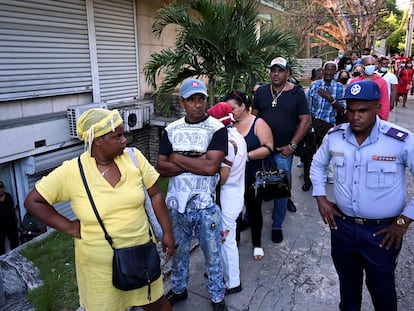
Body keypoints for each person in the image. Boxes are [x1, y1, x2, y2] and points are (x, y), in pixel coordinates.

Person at [24, 108, 175, 311]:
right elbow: (34, 201)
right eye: (117, 136)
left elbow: (155, 194)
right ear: (97, 141)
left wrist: (167, 232)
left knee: (158, 306)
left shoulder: (134, 158)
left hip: (142, 257)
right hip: (99, 270)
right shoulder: (73, 171)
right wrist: (70, 227)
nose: (124, 140)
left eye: (123, 134)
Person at [310, 80, 414, 311]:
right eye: (351, 110)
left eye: (363, 110)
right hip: (343, 228)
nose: (355, 117)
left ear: (377, 108)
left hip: (382, 233)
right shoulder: (335, 136)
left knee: (382, 290)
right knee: (348, 288)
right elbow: (317, 165)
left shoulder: (400, 140)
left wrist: (403, 221)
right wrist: (321, 198)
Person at [157, 79, 229, 311]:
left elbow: (211, 168)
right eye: (191, 99)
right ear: (182, 102)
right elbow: (161, 167)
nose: (197, 105)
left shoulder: (217, 129)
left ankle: (217, 297)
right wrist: (199, 161)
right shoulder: (171, 130)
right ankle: (179, 289)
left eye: (201, 99)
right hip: (177, 205)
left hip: (206, 206)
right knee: (178, 253)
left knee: (213, 254)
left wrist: (176, 158)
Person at [252, 57, 311, 243]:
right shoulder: (261, 92)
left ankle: (277, 225)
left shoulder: (297, 94)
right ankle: (249, 218)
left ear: (288, 73)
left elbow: (305, 120)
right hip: (261, 150)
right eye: (273, 70)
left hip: (282, 152)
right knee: (255, 186)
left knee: (280, 189)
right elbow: (253, 119)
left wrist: (292, 146)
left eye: (280, 70)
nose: (276, 73)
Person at [227, 91, 273, 261]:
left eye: (233, 108)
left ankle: (257, 244)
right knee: (234, 212)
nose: (230, 112)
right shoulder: (229, 125)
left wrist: (246, 156)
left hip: (254, 176)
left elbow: (268, 147)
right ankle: (235, 239)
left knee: (254, 211)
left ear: (243, 106)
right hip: (232, 179)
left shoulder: (258, 123)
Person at [207, 101, 247, 295]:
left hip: (228, 197)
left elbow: (222, 178)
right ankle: (223, 273)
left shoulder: (229, 144)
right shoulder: (237, 136)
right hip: (236, 194)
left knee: (227, 240)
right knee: (224, 238)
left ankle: (233, 282)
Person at [303, 61, 346, 191]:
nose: (328, 73)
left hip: (328, 124)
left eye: (332, 70)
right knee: (309, 153)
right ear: (323, 70)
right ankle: (307, 180)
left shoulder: (339, 88)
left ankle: (319, 180)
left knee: (323, 155)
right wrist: (308, 122)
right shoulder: (315, 85)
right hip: (314, 122)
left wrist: (330, 98)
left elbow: (342, 109)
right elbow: (307, 104)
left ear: (335, 72)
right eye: (326, 70)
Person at [350, 55, 389, 120]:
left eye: (372, 64)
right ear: (362, 66)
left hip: (374, 117)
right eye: (368, 64)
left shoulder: (382, 82)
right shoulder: (354, 81)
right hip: (357, 116)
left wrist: (383, 119)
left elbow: (384, 102)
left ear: (376, 65)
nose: (370, 66)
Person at [0, 181, 19, 255]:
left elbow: (12, 208)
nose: (0, 190)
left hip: (11, 223)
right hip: (0, 225)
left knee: (14, 240)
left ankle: (16, 255)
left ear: (3, 188)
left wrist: (15, 217)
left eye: (1, 188)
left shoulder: (8, 196)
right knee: (0, 243)